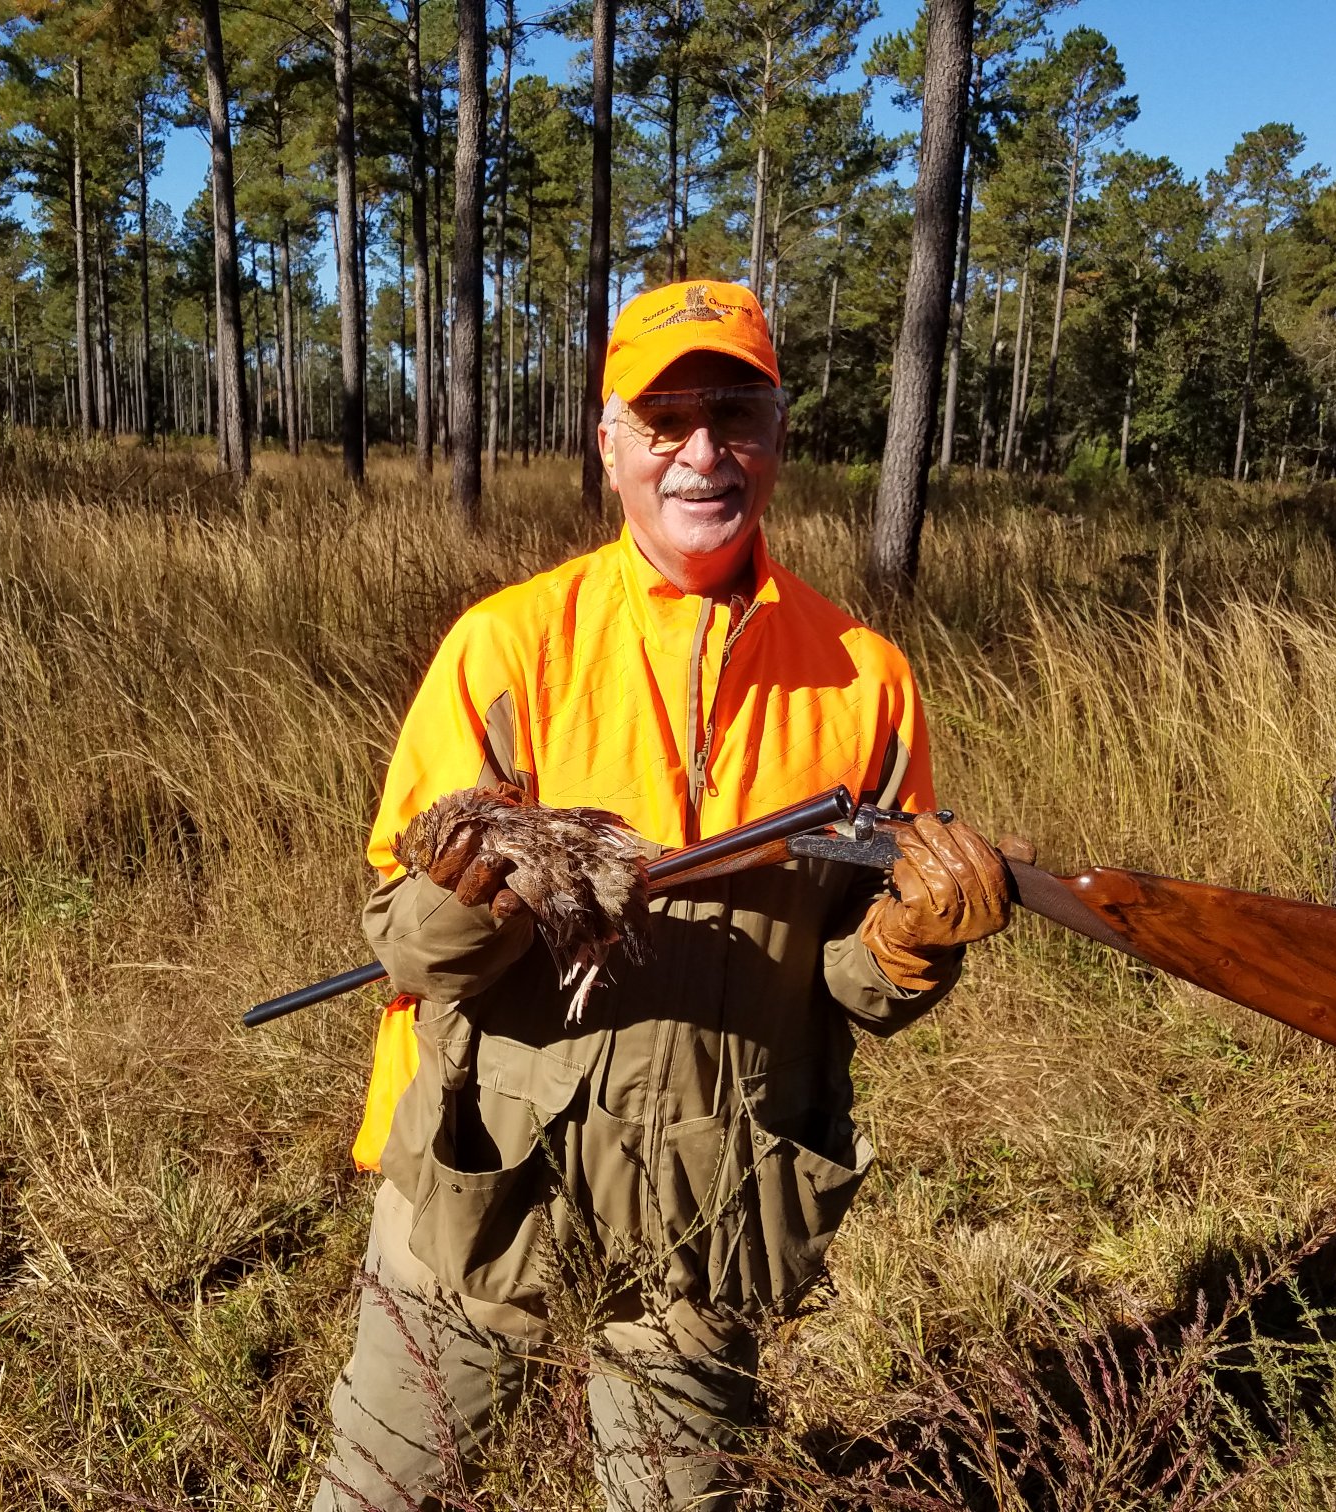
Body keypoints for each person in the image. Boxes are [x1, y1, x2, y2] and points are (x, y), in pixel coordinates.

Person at [312, 280, 1014, 1510]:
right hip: (492, 1187)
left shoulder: (864, 680)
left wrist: (910, 939)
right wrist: (468, 902)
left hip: (711, 1204)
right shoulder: (509, 648)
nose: (703, 454)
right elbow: (402, 944)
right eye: (665, 419)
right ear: (611, 444)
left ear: (779, 437)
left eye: (735, 416)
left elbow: (850, 985)